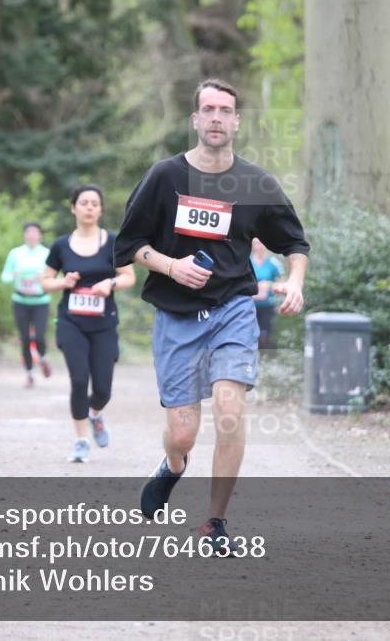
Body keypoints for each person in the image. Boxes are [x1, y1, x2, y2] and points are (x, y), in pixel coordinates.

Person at [114, 78, 309, 553]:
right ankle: (173, 466)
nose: (217, 117)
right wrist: (171, 266)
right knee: (183, 433)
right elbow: (129, 244)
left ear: (236, 122)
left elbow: (294, 242)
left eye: (225, 110)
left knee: (229, 412)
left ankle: (214, 523)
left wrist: (295, 281)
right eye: (209, 109)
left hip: (233, 309)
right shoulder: (165, 177)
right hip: (177, 316)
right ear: (195, 119)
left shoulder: (255, 183)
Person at [42, 184, 135, 463]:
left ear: (101, 209)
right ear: (74, 208)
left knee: (103, 389)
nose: (89, 208)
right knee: (80, 379)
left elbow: (129, 276)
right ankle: (81, 440)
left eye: (95, 203)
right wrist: (64, 282)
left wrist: (110, 284)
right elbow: (45, 282)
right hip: (71, 323)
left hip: (104, 324)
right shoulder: (61, 245)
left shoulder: (113, 242)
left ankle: (95, 414)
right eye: (84, 203)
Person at [0, 222, 52, 388]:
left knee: (39, 336)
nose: (31, 235)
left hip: (41, 301)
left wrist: (43, 278)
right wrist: (13, 275)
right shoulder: (15, 253)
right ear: (24, 235)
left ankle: (43, 358)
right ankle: (29, 374)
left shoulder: (47, 254)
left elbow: (55, 277)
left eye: (35, 232)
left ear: (40, 236)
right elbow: (5, 277)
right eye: (28, 232)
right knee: (24, 339)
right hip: (20, 301)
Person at [250, 237, 284, 349]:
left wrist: (268, 285)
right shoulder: (247, 261)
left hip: (268, 305)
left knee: (265, 334)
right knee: (250, 334)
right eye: (256, 243)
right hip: (250, 305)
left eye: (261, 243)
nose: (259, 246)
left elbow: (282, 283)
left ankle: (264, 355)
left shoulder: (273, 263)